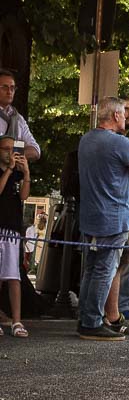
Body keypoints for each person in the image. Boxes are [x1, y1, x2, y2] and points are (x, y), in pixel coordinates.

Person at [76, 98, 129, 340]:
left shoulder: (87, 139)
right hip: (113, 216)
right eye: (123, 113)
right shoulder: (117, 142)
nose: (126, 117)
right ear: (114, 116)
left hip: (91, 215)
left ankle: (87, 317)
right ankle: (91, 322)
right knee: (104, 269)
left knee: (92, 269)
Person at [0, 134, 31, 336]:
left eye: (14, 149)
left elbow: (24, 196)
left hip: (12, 229)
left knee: (14, 276)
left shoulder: (17, 174)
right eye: (6, 149)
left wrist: (25, 172)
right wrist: (9, 168)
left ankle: (17, 321)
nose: (11, 152)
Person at [0, 68, 40, 161]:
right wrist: (17, 148)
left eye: (12, 88)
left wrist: (12, 155)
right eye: (5, 87)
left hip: (14, 174)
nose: (9, 92)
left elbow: (35, 150)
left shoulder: (18, 119)